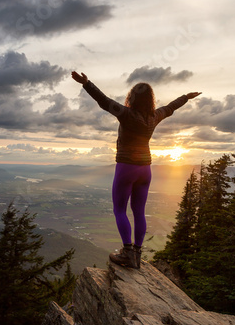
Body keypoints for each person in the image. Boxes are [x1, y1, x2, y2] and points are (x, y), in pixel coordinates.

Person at [71, 70, 201, 269]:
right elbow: (171, 107)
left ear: (131, 97)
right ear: (150, 100)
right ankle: (137, 255)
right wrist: (186, 97)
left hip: (126, 167)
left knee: (119, 210)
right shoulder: (154, 116)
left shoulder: (126, 114)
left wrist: (87, 84)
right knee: (139, 212)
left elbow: (104, 101)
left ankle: (127, 253)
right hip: (145, 170)